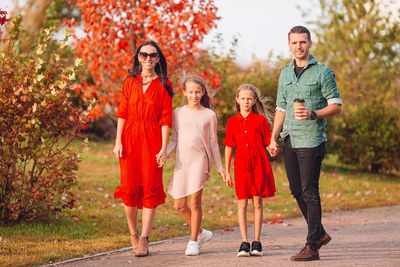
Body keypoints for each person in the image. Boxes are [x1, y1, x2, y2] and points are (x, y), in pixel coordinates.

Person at [267, 25, 342, 261]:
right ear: (289, 45)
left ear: (310, 44)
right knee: (296, 190)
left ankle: (312, 246)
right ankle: (318, 233)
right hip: (289, 137)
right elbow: (280, 108)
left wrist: (314, 114)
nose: (299, 46)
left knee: (310, 191)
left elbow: (336, 106)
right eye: (294, 42)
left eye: (303, 42)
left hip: (311, 139)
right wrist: (272, 137)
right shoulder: (284, 74)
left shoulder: (323, 73)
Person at [112, 40, 173, 257]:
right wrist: (118, 141)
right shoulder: (129, 81)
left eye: (153, 55)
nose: (149, 59)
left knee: (150, 186)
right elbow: (122, 113)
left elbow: (166, 118)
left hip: (152, 139)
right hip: (130, 138)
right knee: (129, 187)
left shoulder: (165, 84)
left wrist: (164, 148)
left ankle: (145, 238)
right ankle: (133, 234)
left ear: (158, 58)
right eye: (144, 55)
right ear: (138, 57)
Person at [164, 75, 225, 256]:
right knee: (179, 205)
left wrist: (220, 169)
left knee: (194, 201)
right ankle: (200, 232)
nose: (194, 95)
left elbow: (214, 143)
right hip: (182, 163)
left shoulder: (209, 115)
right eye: (190, 92)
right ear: (184, 92)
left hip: (200, 161)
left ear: (203, 92)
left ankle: (193, 242)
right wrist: (165, 153)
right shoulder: (178, 113)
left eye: (198, 92)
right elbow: (174, 139)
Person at [224, 84, 276, 257]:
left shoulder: (261, 121)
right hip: (241, 167)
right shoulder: (232, 122)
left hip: (259, 165)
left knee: (257, 202)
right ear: (237, 100)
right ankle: (244, 242)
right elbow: (229, 147)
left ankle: (257, 242)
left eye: (249, 99)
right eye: (243, 98)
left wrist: (272, 147)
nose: (246, 101)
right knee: (242, 203)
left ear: (254, 101)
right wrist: (227, 170)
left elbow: (268, 141)